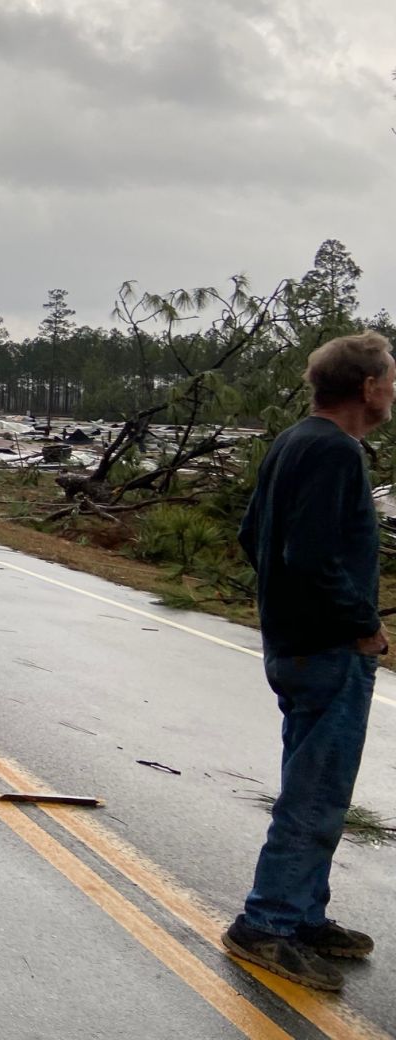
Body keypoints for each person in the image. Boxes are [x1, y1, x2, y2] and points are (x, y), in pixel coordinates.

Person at [224, 330, 395, 992]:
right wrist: (361, 627)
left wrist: (283, 610)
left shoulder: (295, 441)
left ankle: (301, 917)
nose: (394, 391)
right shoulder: (335, 452)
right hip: (327, 651)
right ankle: (264, 925)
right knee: (317, 796)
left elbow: (253, 536)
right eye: (391, 379)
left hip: (293, 645)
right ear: (368, 387)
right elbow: (310, 556)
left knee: (314, 784)